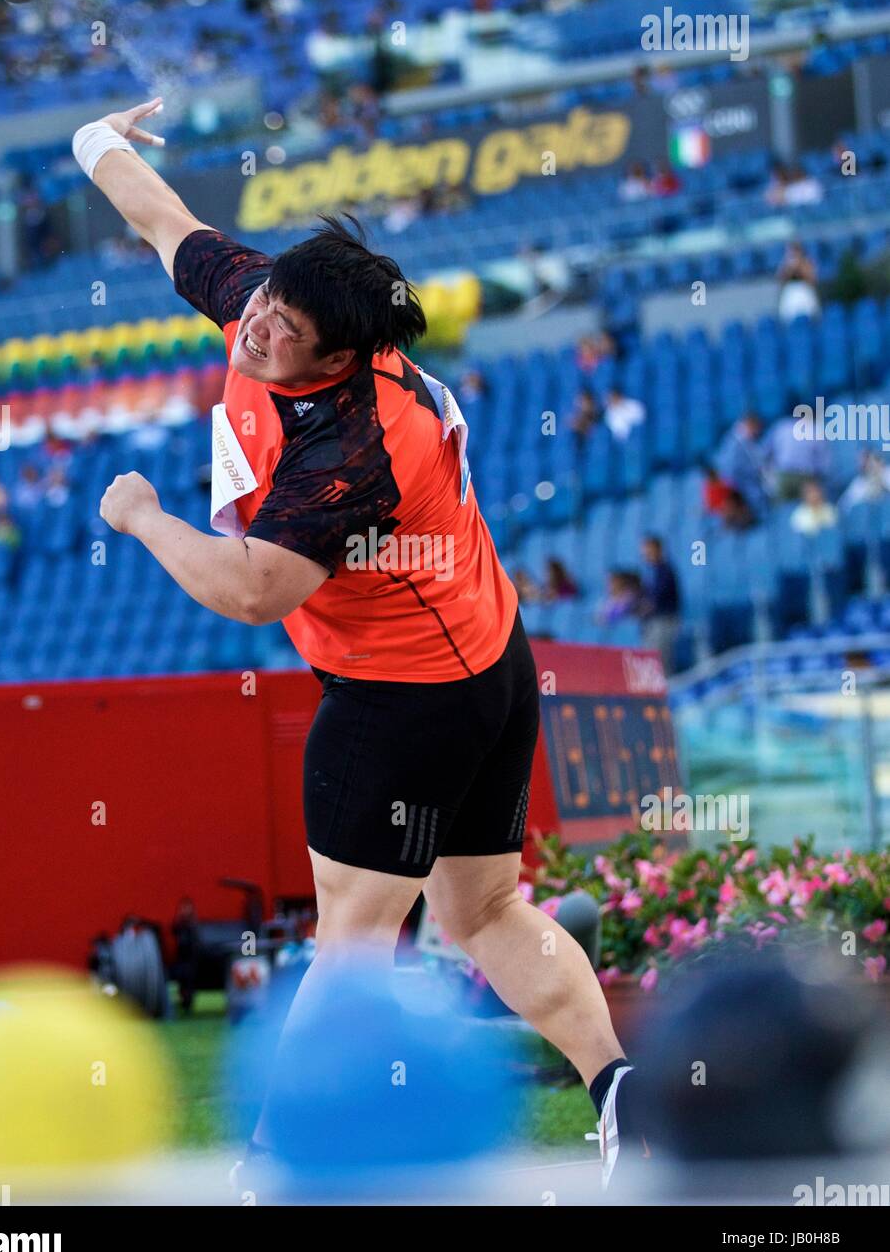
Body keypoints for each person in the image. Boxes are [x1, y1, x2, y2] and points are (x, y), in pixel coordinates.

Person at [75, 98, 645, 1183]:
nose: (260, 331)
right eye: (267, 307)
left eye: (288, 333)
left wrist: (143, 517)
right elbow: (162, 224)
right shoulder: (269, 297)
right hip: (486, 657)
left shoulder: (351, 450)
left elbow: (251, 592)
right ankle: (624, 1094)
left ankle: (275, 1157)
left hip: (403, 699)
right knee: (482, 911)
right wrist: (94, 140)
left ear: (342, 356)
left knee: (351, 937)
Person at [638, 535, 680, 673]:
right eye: (644, 551)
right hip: (652, 622)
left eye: (649, 550)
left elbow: (658, 597)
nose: (646, 554)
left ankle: (667, 687)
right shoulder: (650, 573)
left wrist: (644, 607)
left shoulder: (666, 571)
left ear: (659, 549)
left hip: (664, 620)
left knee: (661, 659)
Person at [777, 240, 819, 324]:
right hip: (790, 294)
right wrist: (789, 268)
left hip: (804, 293)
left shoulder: (807, 262)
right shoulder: (785, 264)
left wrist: (800, 266)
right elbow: (780, 281)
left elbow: (812, 280)